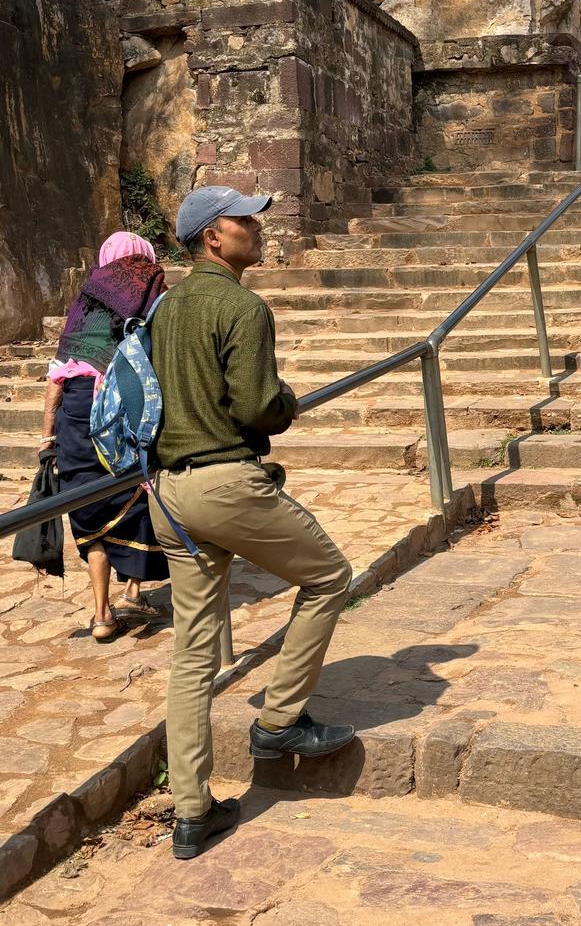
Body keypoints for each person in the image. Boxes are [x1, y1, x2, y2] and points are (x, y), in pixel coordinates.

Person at [149, 186, 354, 862]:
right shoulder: (241, 306)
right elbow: (260, 406)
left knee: (192, 652)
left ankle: (190, 811)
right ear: (214, 236)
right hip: (224, 482)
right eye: (244, 222)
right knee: (328, 576)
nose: (257, 229)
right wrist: (288, 400)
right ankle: (279, 720)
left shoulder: (163, 308)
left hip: (168, 492)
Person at [41, 231, 169, 642]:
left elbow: (55, 380)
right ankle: (133, 589)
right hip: (123, 410)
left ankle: (100, 613)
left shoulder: (82, 307)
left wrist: (48, 438)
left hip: (75, 415)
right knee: (135, 492)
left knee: (87, 505)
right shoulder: (150, 296)